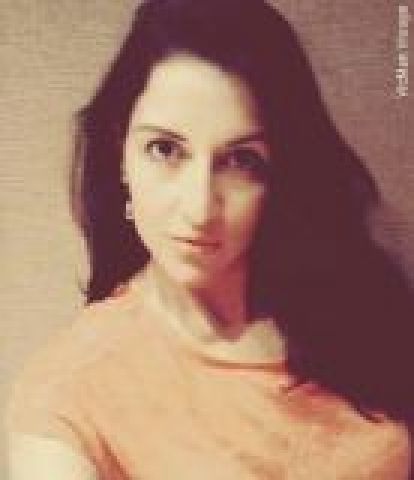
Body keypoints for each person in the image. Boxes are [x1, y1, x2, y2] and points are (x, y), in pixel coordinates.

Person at [5, 0, 413, 478]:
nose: (200, 209)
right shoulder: (69, 394)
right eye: (165, 149)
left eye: (240, 160)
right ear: (120, 152)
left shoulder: (350, 296)